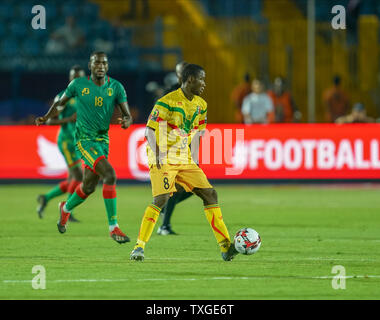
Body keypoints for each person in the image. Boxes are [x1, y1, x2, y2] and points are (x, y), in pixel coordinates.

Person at [130, 63, 239, 262]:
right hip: (162, 155)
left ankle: (226, 247)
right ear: (190, 80)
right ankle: (139, 247)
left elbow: (198, 133)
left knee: (210, 194)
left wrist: (195, 158)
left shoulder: (201, 105)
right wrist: (158, 154)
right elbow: (149, 131)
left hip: (184, 157)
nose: (204, 84)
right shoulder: (166, 102)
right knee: (161, 199)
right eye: (201, 79)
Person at [35, 52, 133, 244]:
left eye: (104, 62)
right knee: (110, 175)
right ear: (90, 65)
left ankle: (65, 209)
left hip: (103, 141)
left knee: (88, 187)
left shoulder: (116, 87)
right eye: (97, 62)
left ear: (108, 66)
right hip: (83, 140)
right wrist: (46, 117)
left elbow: (127, 114)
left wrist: (126, 122)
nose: (101, 66)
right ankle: (113, 227)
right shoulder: (78, 85)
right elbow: (59, 104)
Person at [36, 65, 86, 222]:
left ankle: (46, 197)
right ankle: (67, 210)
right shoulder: (63, 97)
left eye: (80, 77)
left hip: (78, 140)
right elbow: (50, 120)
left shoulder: (85, 96)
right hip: (66, 141)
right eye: (74, 77)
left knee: (73, 179)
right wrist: (69, 119)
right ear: (70, 79)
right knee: (79, 175)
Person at [157, 61, 193, 236]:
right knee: (176, 187)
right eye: (182, 72)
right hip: (170, 144)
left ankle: (163, 209)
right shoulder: (170, 93)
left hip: (184, 143)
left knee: (193, 187)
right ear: (178, 75)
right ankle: (164, 226)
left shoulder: (193, 93)